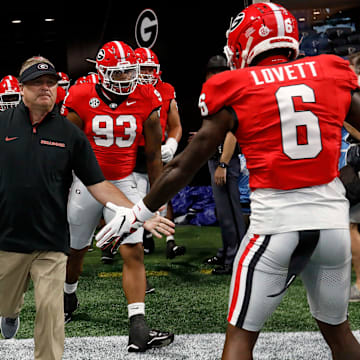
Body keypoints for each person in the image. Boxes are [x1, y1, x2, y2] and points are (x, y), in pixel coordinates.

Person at [96, 3, 360, 359]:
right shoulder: (329, 70)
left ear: (243, 42)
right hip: (332, 227)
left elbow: (184, 166)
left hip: (276, 227)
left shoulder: (238, 85)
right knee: (339, 332)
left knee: (239, 338)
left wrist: (139, 212)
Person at [0, 56, 174, 360]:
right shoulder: (9, 123)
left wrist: (142, 212)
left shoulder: (72, 132)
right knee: (16, 292)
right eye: (37, 82)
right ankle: (28, 306)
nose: (45, 88)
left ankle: (132, 323)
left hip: (79, 213)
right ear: (21, 88)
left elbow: (106, 178)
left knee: (55, 309)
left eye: (50, 83)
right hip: (16, 229)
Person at [61, 40, 174, 352]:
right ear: (102, 73)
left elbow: (152, 155)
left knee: (133, 249)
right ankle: (69, 292)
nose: (126, 80)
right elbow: (66, 148)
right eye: (119, 74)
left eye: (130, 73)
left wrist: (158, 195)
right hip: (87, 182)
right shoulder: (81, 94)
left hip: (124, 182)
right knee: (76, 249)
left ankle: (138, 325)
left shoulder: (147, 96)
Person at [133, 47, 185, 260]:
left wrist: (172, 143)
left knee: (163, 194)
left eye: (149, 68)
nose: (145, 73)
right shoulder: (126, 89)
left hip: (157, 152)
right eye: (141, 68)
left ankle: (170, 241)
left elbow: (175, 125)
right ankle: (138, 239)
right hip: (133, 153)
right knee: (135, 198)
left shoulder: (166, 90)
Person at [203, 55, 247, 275]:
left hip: (225, 161)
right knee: (224, 212)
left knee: (230, 212)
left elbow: (232, 133)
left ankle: (234, 259)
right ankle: (227, 251)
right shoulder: (223, 92)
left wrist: (222, 163)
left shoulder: (227, 94)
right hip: (219, 159)